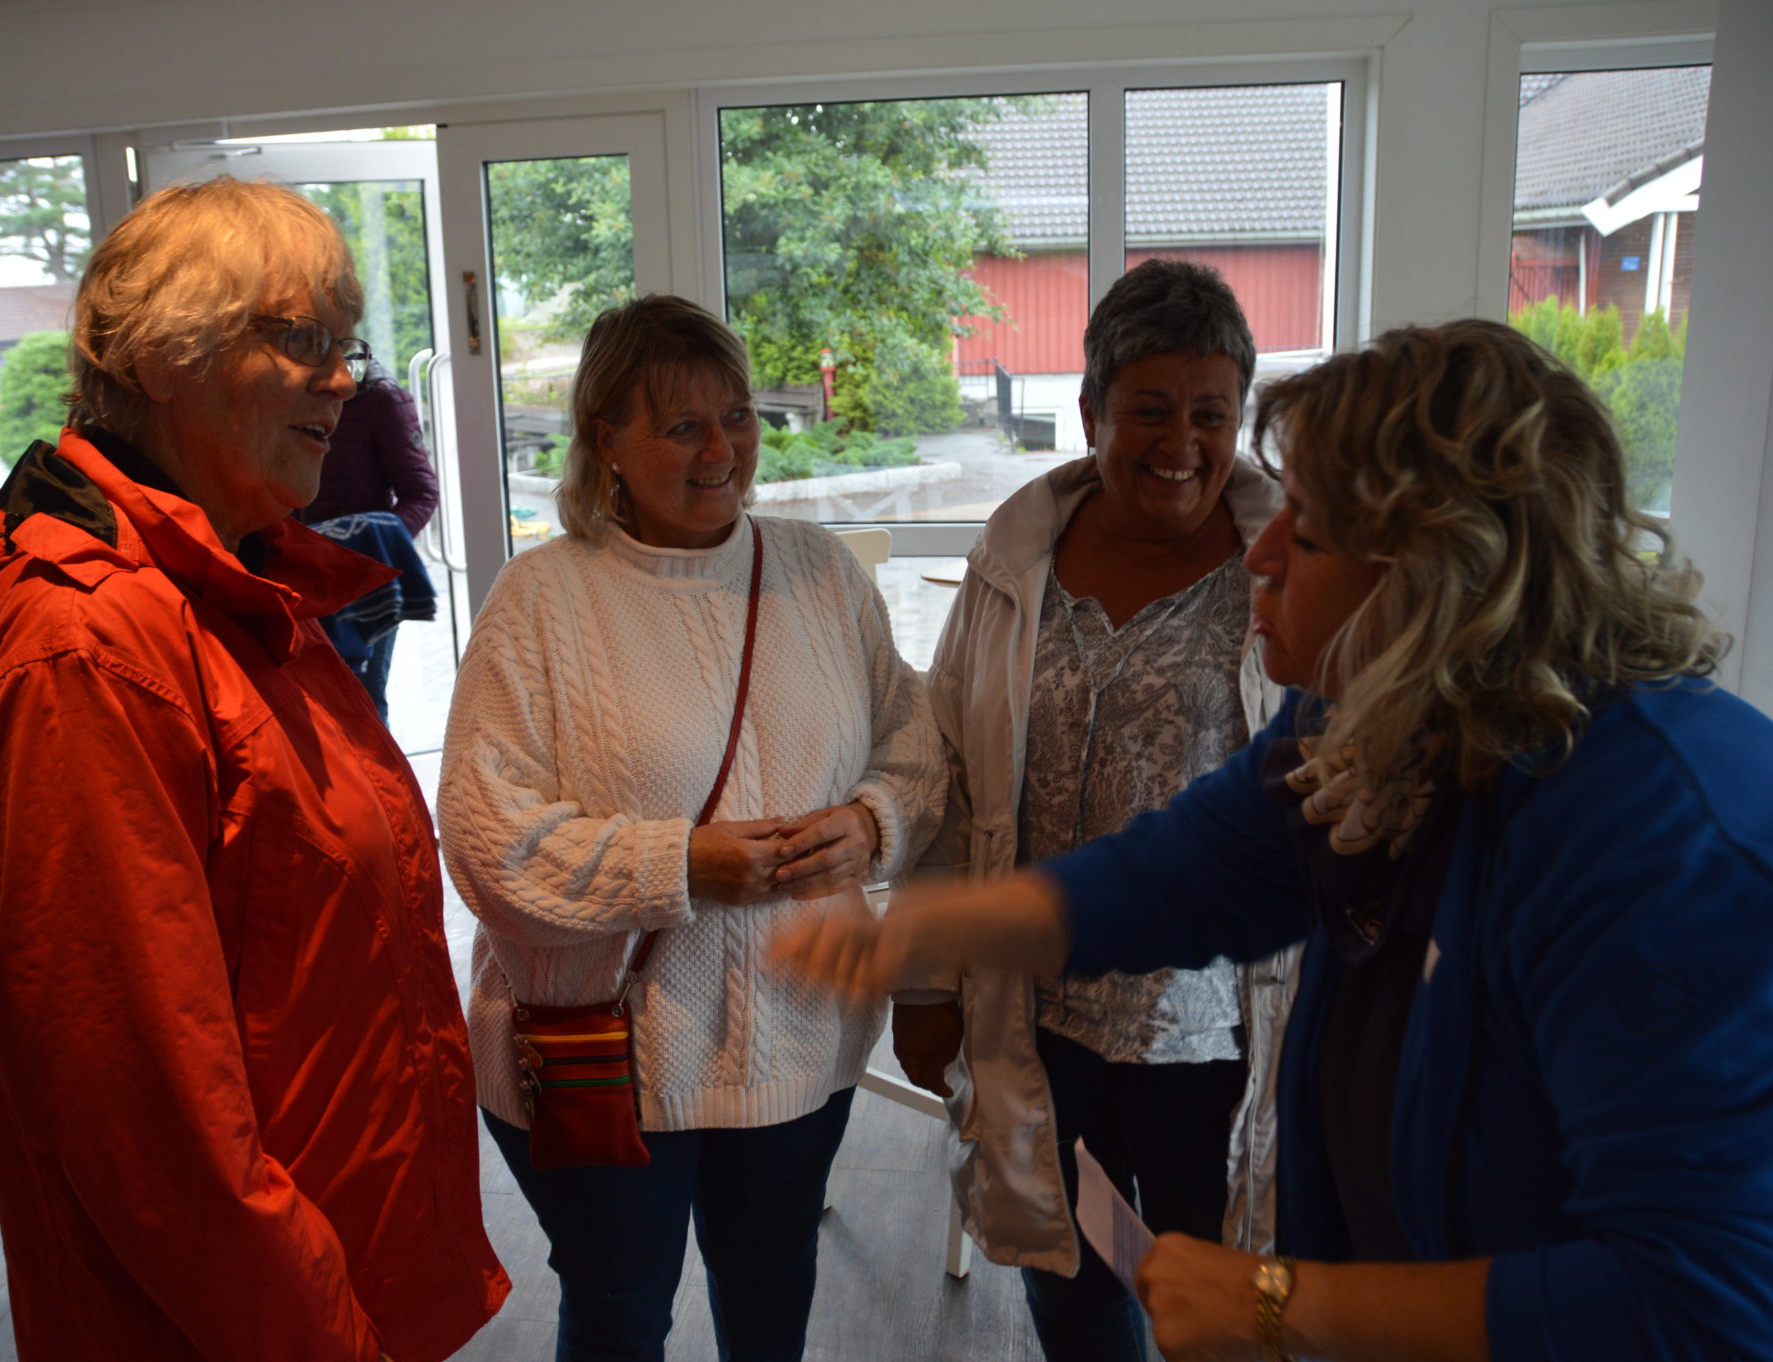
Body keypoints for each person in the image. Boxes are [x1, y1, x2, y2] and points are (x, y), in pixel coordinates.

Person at [776, 318, 1773, 1361]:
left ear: (1440, 576)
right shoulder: (1384, 718)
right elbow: (1193, 867)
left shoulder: (1667, 850)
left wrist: (1279, 1304)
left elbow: (1696, 1305)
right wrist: (942, 926)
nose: (1255, 549)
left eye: (1303, 531)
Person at [0, 176, 508, 1362]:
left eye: (343, 343)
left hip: (330, 1281)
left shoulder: (239, 594)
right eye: (298, 338)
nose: (342, 376)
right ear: (158, 356)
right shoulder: (89, 651)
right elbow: (146, 1125)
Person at [439, 294, 944, 1362]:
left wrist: (873, 823)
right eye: (681, 426)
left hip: (799, 1038)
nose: (723, 449)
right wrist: (678, 865)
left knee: (768, 1300)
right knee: (621, 1318)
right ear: (603, 442)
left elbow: (915, 741)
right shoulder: (541, 601)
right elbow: (490, 841)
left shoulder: (818, 574)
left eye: (740, 415)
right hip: (605, 1057)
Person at [892, 259, 1296, 1362]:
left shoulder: (1286, 573)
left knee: (1221, 1300)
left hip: (1214, 1034)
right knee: (1070, 1273)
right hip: (1040, 1019)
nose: (1181, 444)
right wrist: (924, 983)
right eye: (1148, 411)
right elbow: (952, 778)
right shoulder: (1012, 562)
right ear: (1089, 413)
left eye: (1210, 414)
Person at [296, 355, 440, 722]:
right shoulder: (287, 394)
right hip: (294, 577)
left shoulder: (382, 397)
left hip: (361, 583)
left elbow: (421, 493)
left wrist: (369, 550)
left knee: (362, 711)